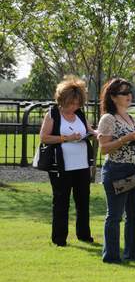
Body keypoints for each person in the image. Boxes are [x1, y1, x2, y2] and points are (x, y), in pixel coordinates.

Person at [96, 78, 135, 263]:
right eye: (124, 93)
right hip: (117, 170)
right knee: (114, 215)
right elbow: (104, 148)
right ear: (113, 97)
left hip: (134, 169)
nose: (129, 96)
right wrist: (126, 139)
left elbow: (134, 148)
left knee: (134, 215)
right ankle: (111, 256)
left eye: (130, 92)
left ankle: (134, 254)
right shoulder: (108, 119)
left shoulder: (131, 117)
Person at [38, 76, 96, 247]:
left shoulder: (79, 114)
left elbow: (89, 130)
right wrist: (66, 138)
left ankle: (84, 235)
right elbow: (44, 137)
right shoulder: (53, 114)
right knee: (61, 202)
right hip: (61, 166)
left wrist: (96, 133)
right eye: (71, 103)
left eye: (77, 103)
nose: (74, 107)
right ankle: (59, 238)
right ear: (62, 100)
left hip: (82, 165)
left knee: (83, 201)